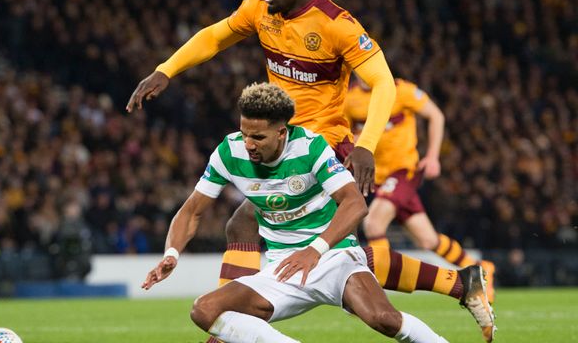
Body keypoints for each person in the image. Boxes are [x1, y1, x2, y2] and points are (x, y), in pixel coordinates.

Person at [127, 0, 495, 341]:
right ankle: (459, 283)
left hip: (323, 143)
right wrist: (166, 69)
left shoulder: (337, 25)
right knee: (334, 251)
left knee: (254, 222)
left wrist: (367, 144)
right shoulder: (259, 10)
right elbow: (213, 37)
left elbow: (384, 83)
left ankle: (225, 328)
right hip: (279, 140)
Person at [143, 83, 459, 343]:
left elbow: (354, 203)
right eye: (245, 133)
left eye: (258, 137)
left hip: (334, 257)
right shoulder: (229, 151)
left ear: (282, 132)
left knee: (385, 320)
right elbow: (191, 211)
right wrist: (172, 252)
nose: (249, 144)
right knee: (204, 310)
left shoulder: (311, 148)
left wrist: (315, 250)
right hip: (282, 268)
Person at [345, 76, 496, 303]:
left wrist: (433, 156)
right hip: (378, 177)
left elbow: (436, 115)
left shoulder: (402, 90)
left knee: (374, 222)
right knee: (427, 240)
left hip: (403, 171)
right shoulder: (350, 99)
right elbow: (346, 134)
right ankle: (480, 268)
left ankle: (376, 291)